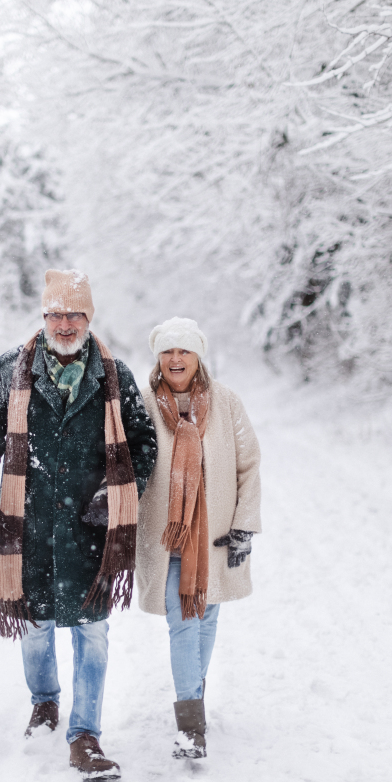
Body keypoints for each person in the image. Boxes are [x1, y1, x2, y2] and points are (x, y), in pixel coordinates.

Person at [0, 269, 157, 780]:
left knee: (91, 632)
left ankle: (85, 734)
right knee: (34, 626)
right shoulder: (12, 369)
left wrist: (113, 498)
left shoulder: (114, 377)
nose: (64, 323)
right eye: (55, 313)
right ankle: (44, 702)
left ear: (89, 318)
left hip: (90, 528)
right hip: (25, 527)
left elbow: (142, 444)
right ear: (44, 317)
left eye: (74, 314)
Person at [136, 317, 261, 759]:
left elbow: (248, 464)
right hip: (164, 536)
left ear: (197, 356)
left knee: (206, 618)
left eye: (184, 351)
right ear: (158, 357)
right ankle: (191, 725)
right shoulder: (145, 403)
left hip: (217, 535)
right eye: (168, 351)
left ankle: (194, 696)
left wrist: (245, 522)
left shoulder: (226, 402)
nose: (175, 359)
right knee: (184, 620)